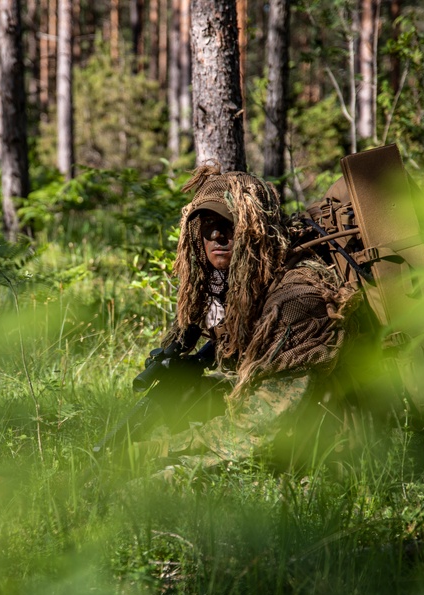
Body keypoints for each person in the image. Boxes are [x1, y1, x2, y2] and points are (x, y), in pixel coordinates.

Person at [136, 166, 361, 477]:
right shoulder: (246, 291)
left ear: (257, 232)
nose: (216, 236)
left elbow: (263, 422)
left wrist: (161, 450)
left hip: (337, 454)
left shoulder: (297, 300)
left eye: (229, 225)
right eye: (208, 225)